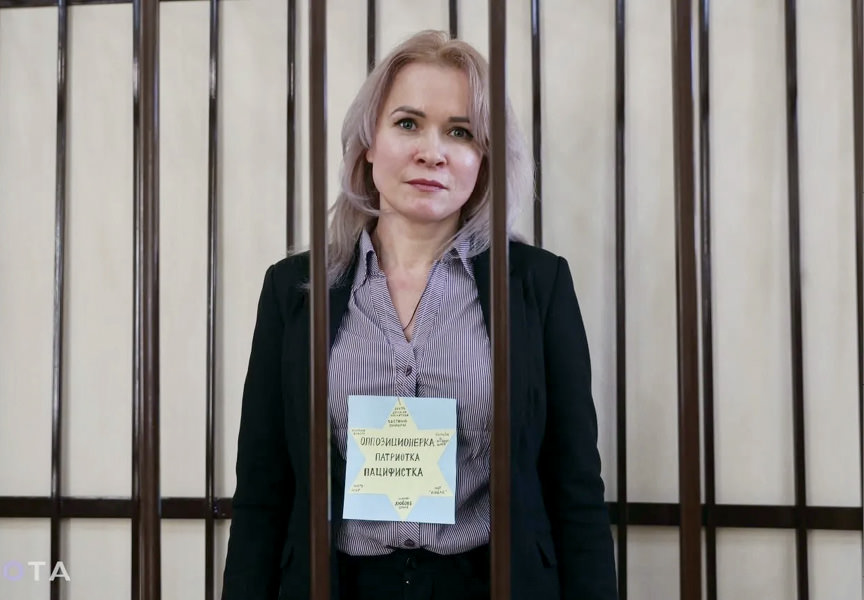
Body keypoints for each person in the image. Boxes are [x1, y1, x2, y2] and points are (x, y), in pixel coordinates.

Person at [221, 30, 617, 600]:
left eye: (460, 132)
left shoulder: (537, 284)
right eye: (408, 123)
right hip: (339, 582)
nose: (432, 151)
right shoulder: (293, 290)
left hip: (492, 581)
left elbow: (574, 486)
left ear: (482, 159)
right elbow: (263, 490)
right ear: (368, 145)